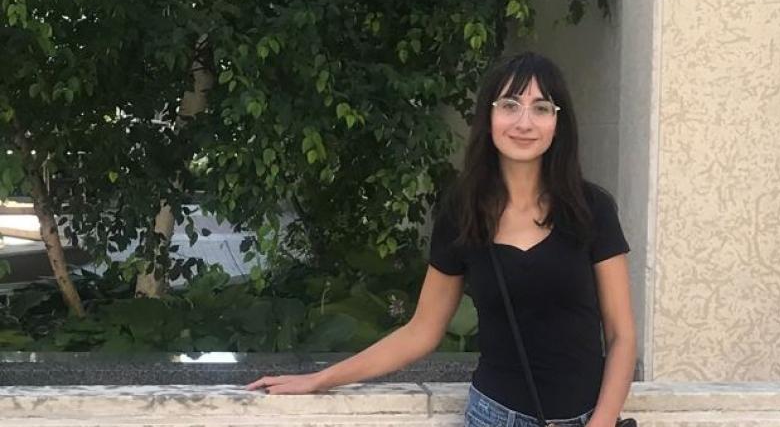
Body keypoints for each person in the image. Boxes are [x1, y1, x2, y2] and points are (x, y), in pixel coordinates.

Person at [247, 51, 636, 427]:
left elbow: (621, 335)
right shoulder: (463, 212)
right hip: (495, 417)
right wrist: (318, 380)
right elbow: (422, 331)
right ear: (489, 116)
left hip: (588, 419)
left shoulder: (591, 209)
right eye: (510, 105)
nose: (524, 122)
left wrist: (601, 423)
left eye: (540, 108)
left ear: (557, 121)